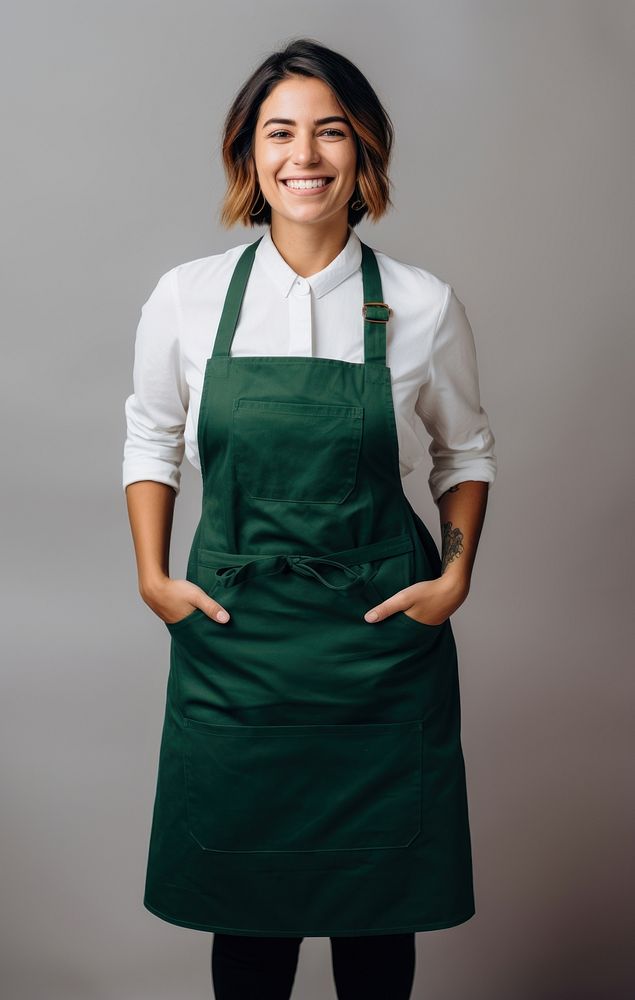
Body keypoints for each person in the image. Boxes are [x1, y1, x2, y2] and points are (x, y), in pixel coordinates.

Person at [122, 38, 497, 1000]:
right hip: (236, 638)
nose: (305, 155)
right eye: (279, 131)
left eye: (330, 132)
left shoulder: (420, 304)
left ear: (363, 152)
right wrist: (154, 579)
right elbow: (150, 440)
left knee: (377, 914)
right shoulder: (188, 297)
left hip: (378, 645)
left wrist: (452, 577)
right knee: (249, 911)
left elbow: (464, 455)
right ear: (249, 156)